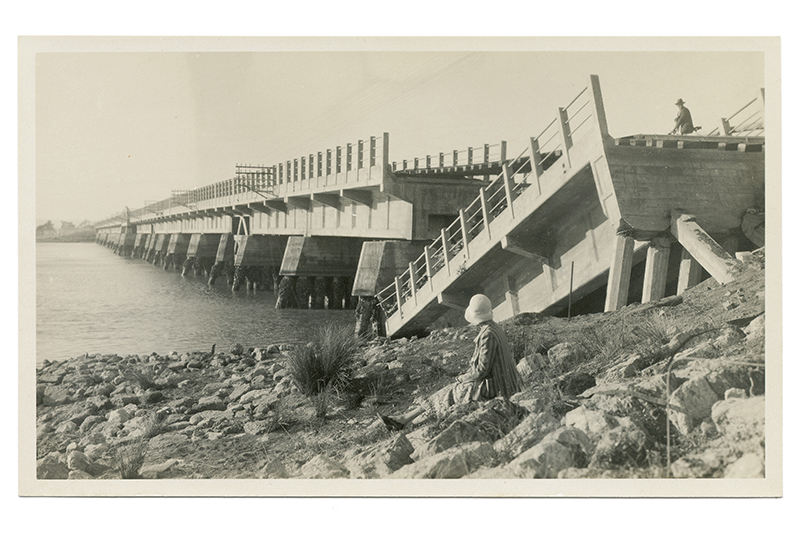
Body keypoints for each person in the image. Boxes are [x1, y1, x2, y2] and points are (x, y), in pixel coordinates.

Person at [379, 294, 522, 431]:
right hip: (506, 382)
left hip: (496, 388)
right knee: (448, 393)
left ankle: (404, 421)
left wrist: (463, 378)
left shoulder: (487, 335)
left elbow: (481, 371)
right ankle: (403, 420)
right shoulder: (495, 328)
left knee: (449, 393)